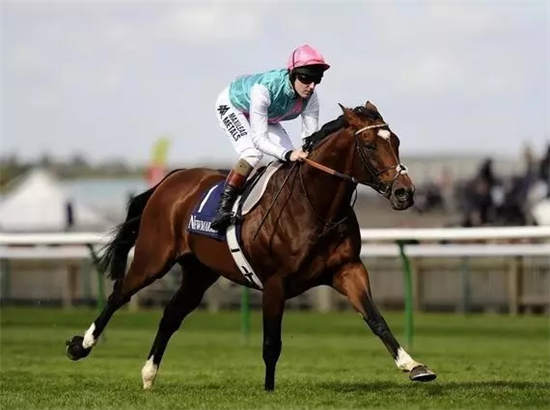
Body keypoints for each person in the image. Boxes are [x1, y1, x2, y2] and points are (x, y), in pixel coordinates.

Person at [210, 44, 330, 231]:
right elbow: (259, 140)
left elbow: (310, 139)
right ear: (292, 74)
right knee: (252, 153)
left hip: (268, 116)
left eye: (317, 80)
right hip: (233, 106)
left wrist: (303, 152)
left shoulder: (311, 98)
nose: (311, 86)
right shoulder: (264, 89)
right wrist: (288, 153)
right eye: (306, 79)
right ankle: (223, 207)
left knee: (291, 162)